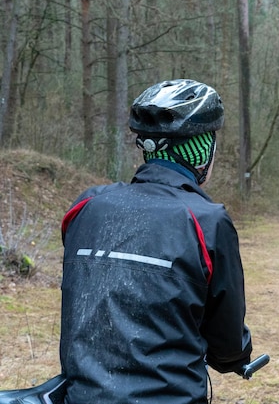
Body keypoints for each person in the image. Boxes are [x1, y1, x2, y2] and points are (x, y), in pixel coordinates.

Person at [59, 79, 253, 404]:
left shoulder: (86, 206)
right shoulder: (206, 221)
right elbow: (228, 344)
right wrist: (235, 357)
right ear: (203, 149)